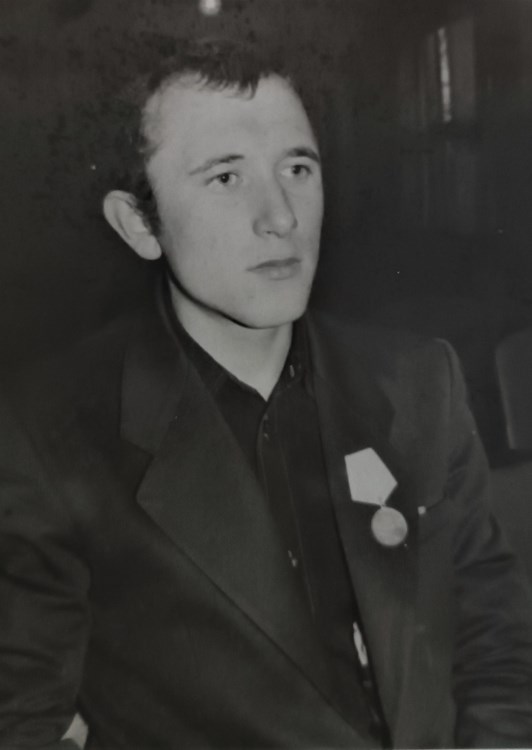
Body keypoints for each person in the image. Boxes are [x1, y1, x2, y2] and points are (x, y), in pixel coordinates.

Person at [1, 37, 532, 750]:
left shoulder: (418, 382)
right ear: (139, 224)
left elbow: (497, 646)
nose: (281, 215)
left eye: (297, 168)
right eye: (226, 177)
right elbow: (21, 721)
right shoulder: (48, 431)